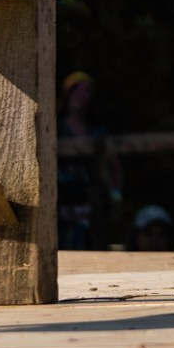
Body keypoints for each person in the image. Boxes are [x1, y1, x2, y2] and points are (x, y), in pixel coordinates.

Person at [55, 72, 121, 250]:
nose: (81, 96)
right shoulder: (54, 127)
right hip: (59, 200)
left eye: (86, 91)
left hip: (90, 201)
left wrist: (115, 196)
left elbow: (113, 164)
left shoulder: (97, 131)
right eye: (76, 90)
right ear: (67, 94)